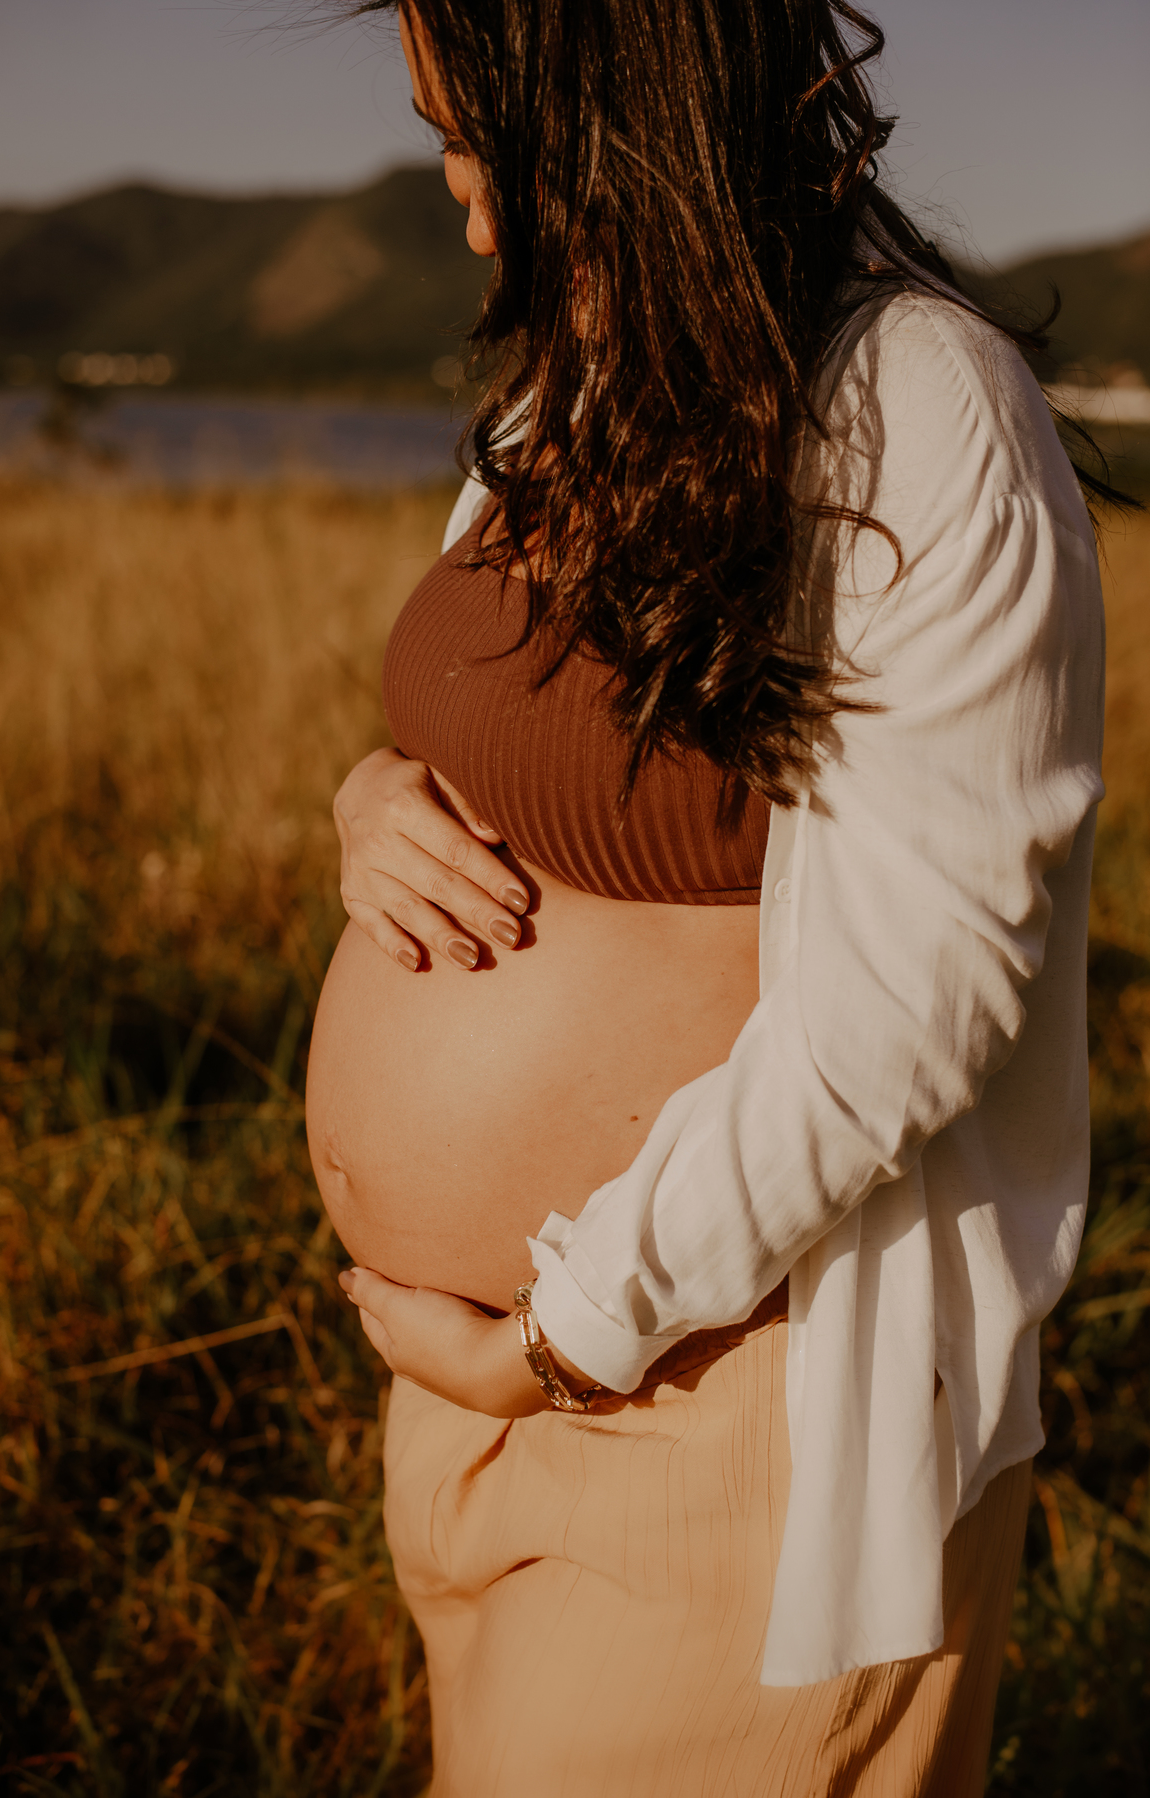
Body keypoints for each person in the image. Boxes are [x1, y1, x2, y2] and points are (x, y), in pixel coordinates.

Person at [304, 1, 1109, 1791]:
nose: (456, 194)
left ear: (615, 110)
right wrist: (373, 804)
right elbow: (508, 744)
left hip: (720, 1403)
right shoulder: (569, 395)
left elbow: (915, 1007)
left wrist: (564, 1341)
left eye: (470, 133)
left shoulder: (916, 409)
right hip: (473, 1395)